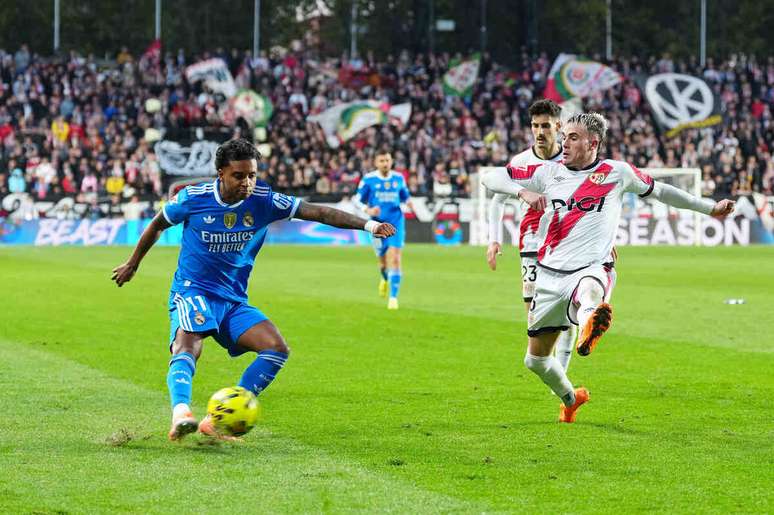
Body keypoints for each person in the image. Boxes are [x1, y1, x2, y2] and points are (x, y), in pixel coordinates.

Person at [111, 139, 395, 441]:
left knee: (276, 349)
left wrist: (369, 226)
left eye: (252, 175)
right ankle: (181, 413)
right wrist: (133, 264)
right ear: (221, 173)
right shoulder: (193, 198)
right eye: (239, 175)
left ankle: (218, 418)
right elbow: (157, 225)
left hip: (233, 299)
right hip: (193, 290)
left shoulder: (264, 200)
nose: (247, 182)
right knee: (188, 344)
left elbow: (319, 213)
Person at [482, 113, 734, 423]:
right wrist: (522, 191)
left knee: (590, 288)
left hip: (593, 265)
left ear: (593, 143)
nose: (564, 142)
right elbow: (490, 177)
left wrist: (709, 208)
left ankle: (591, 322)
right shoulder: (547, 173)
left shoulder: (617, 173)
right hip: (548, 274)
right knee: (535, 361)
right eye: (565, 137)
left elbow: (663, 192)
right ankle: (571, 399)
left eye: (573, 137)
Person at [486, 99, 581, 372]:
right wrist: (494, 239)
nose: (540, 132)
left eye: (546, 126)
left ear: (559, 127)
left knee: (565, 305)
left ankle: (560, 370)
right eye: (536, 126)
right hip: (531, 240)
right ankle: (547, 364)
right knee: (534, 314)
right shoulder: (520, 162)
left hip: (566, 239)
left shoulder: (572, 160)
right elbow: (497, 199)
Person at [353, 150, 413, 310]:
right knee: (382, 263)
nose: (385, 163)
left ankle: (393, 298)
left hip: (396, 223)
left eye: (387, 160)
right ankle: (385, 278)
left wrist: (410, 202)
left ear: (391, 161)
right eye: (382, 160)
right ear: (376, 162)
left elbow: (405, 195)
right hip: (377, 225)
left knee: (395, 258)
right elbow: (356, 199)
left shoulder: (399, 178)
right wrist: (367, 210)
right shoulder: (369, 179)